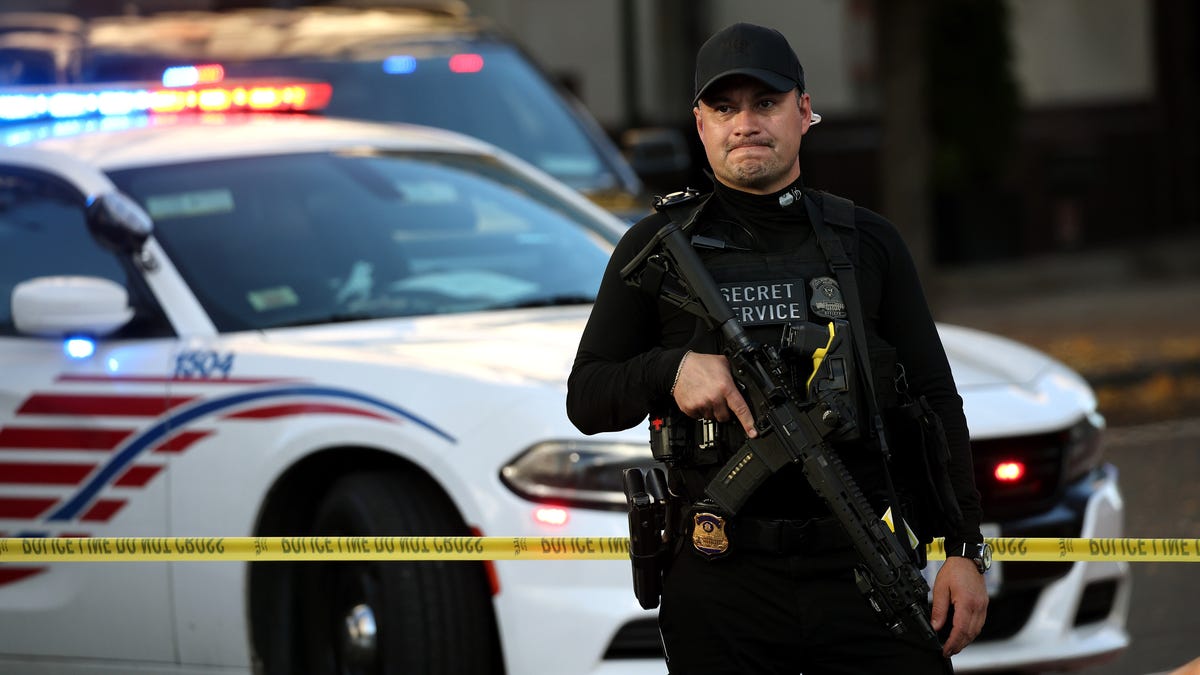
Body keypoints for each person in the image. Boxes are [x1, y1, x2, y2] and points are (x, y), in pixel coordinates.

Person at [567, 22, 988, 674]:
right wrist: (670, 370)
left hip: (860, 565)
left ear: (804, 110)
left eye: (765, 103)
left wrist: (962, 547)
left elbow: (935, 398)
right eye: (724, 107)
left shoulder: (868, 243)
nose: (746, 124)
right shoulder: (655, 248)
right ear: (700, 123)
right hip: (722, 575)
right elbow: (587, 396)